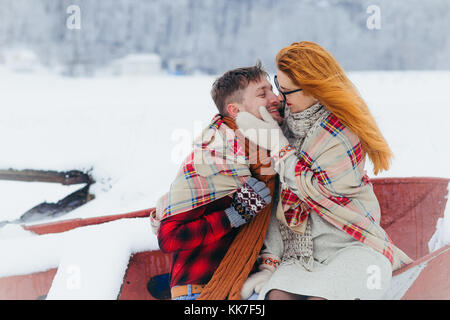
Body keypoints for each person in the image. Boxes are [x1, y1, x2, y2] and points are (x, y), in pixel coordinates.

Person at [237, 41, 413, 300]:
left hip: (350, 245)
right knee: (276, 297)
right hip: (301, 254)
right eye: (278, 86)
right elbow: (276, 195)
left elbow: (314, 191)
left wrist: (279, 147)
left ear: (313, 89)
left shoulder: (341, 132)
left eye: (287, 92)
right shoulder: (284, 121)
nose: (279, 98)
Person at [151, 62, 283, 300]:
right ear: (234, 110)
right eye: (263, 94)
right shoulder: (211, 157)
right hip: (199, 291)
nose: (275, 98)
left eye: (273, 90)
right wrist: (232, 215)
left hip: (247, 284)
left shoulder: (271, 153)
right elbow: (169, 236)